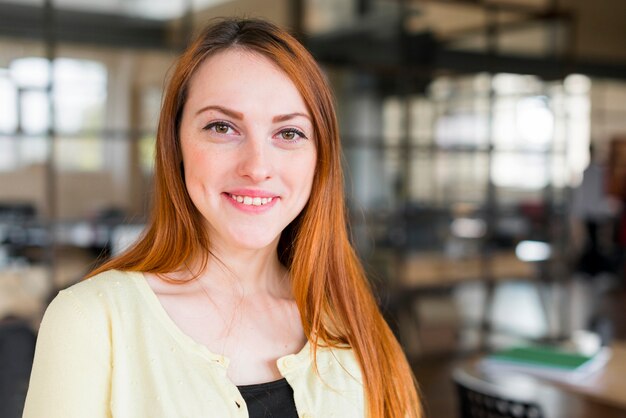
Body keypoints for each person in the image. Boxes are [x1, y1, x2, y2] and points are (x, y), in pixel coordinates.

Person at [23, 18, 422, 418]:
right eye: (222, 127)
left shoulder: (348, 318)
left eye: (289, 133)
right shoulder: (90, 321)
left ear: (320, 159)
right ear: (175, 144)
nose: (257, 167)